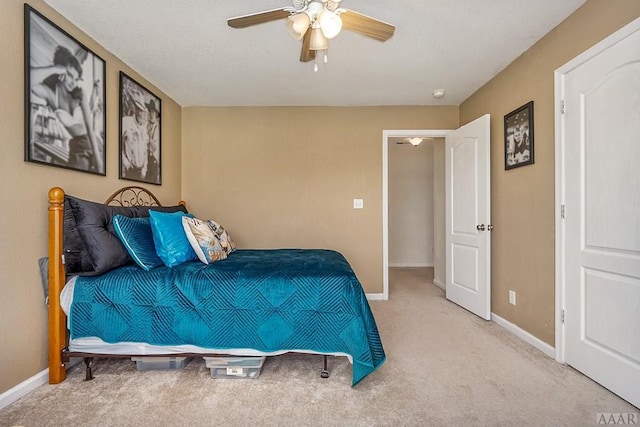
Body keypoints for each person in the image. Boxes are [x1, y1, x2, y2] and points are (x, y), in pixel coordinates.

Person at [30, 46, 104, 173]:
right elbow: (28, 78)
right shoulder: (51, 95)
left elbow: (90, 128)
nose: (73, 82)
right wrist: (54, 69)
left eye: (75, 78)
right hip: (77, 145)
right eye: (69, 75)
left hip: (93, 142)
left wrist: (98, 161)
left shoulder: (79, 94)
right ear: (61, 72)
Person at [121, 92, 149, 180]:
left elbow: (145, 150)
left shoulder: (144, 128)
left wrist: (144, 169)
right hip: (130, 170)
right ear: (135, 110)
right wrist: (125, 162)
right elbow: (116, 144)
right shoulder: (126, 122)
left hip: (141, 173)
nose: (141, 113)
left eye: (142, 111)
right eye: (139, 110)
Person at [145, 99, 160, 183]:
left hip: (153, 159)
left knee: (151, 179)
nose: (151, 114)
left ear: (155, 114)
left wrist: (148, 139)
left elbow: (154, 147)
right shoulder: (146, 126)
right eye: (149, 111)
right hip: (146, 158)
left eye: (153, 112)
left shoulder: (157, 128)